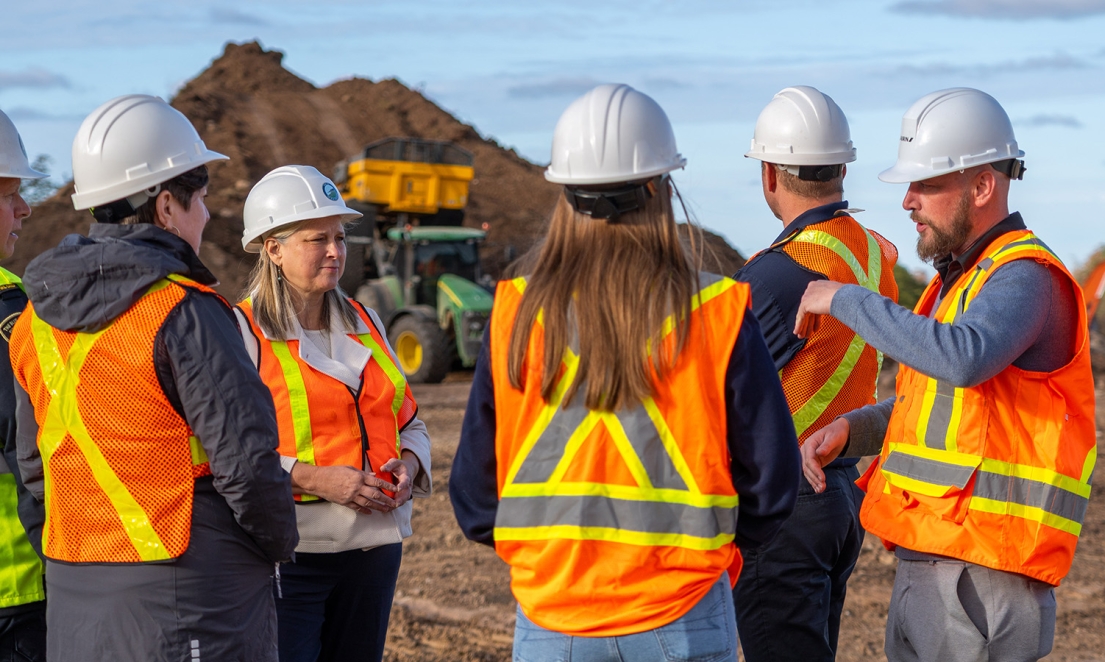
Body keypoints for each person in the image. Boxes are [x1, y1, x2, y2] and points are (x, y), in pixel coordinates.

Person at [450, 83, 800, 662]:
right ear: (660, 188)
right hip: (683, 615)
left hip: (552, 621)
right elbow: (771, 483)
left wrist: (556, 562)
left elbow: (475, 496)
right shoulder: (715, 310)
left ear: (564, 192)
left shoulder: (514, 313)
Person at [797, 87, 1095, 662]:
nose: (907, 201)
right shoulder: (960, 282)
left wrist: (844, 300)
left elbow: (963, 357)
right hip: (936, 564)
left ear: (982, 186)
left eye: (925, 185)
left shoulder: (1024, 276)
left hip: (982, 576)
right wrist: (853, 431)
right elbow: (936, 403)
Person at [8, 94, 298, 661]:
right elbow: (247, 463)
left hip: (75, 595)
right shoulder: (185, 311)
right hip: (188, 594)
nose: (208, 215)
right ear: (167, 205)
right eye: (203, 199)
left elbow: (35, 470)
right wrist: (276, 546)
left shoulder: (32, 320)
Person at [236, 165, 432, 662]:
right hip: (291, 558)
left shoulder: (366, 321)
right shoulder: (240, 331)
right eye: (316, 239)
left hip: (375, 553)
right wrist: (315, 479)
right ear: (272, 248)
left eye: (340, 237)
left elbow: (410, 421)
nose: (334, 251)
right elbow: (230, 454)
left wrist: (409, 467)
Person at [731, 86, 899, 662]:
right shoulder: (872, 254)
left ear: (769, 174)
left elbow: (710, 393)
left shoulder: (776, 274)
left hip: (785, 505)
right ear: (842, 168)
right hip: (841, 493)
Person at [0, 109, 48, 661]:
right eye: (9, 194)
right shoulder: (11, 315)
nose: (25, 208)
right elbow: (32, 451)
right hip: (15, 589)